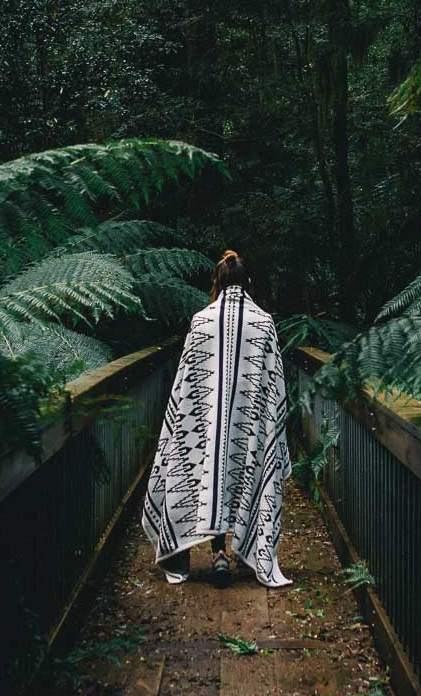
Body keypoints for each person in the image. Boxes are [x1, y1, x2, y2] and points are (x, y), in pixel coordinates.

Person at [141, 250, 293, 588]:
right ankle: (244, 553)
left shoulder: (200, 321)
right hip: (250, 425)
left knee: (203, 466)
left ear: (217, 282)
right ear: (247, 282)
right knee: (243, 467)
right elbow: (274, 385)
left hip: (204, 422)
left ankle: (218, 553)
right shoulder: (264, 323)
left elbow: (185, 385)